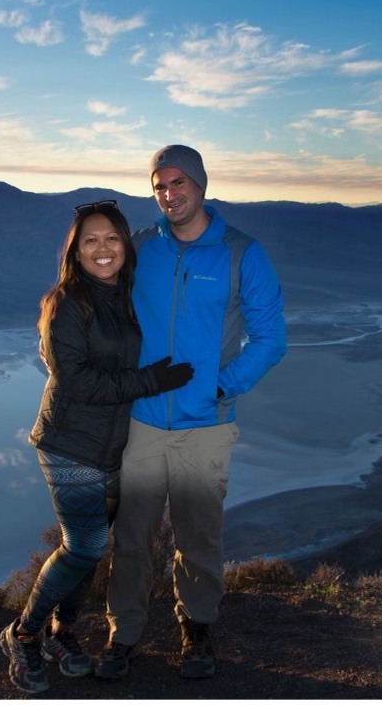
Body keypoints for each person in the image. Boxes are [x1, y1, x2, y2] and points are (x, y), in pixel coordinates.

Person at [97, 145, 287, 681]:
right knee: (131, 535)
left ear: (200, 185)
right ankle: (124, 635)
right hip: (142, 423)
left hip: (206, 425)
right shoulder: (141, 249)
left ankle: (197, 630)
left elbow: (271, 339)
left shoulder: (239, 253)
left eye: (178, 182)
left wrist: (221, 388)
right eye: (159, 185)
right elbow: (102, 307)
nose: (168, 193)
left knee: (198, 535)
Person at [0, 199, 195, 694]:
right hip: (69, 443)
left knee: (91, 548)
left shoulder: (127, 295)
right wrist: (152, 381)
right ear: (76, 250)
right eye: (91, 240)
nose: (102, 248)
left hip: (114, 445)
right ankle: (23, 634)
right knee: (83, 545)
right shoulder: (67, 303)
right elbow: (79, 382)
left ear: (125, 246)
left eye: (111, 238)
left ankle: (63, 633)